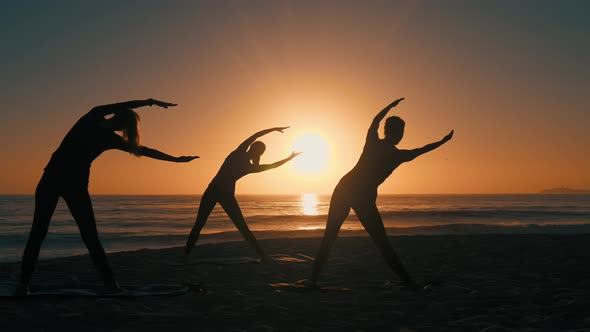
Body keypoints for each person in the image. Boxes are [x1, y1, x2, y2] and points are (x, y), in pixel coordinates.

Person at [16, 98, 198, 295]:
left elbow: (145, 150)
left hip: (55, 181)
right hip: (68, 185)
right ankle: (109, 284)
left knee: (42, 234)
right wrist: (175, 159)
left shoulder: (92, 120)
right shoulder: (100, 126)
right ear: (122, 124)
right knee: (86, 237)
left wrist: (149, 103)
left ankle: (24, 285)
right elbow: (144, 150)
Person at [310, 98, 454, 287]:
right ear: (392, 132)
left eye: (402, 132)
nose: (401, 135)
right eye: (399, 131)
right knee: (337, 237)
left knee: (376, 240)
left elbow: (419, 148)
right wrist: (442, 141)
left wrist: (442, 141)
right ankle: (312, 281)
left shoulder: (391, 151)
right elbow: (378, 124)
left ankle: (407, 281)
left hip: (354, 192)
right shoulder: (385, 149)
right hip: (348, 191)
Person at [184, 127, 300, 260]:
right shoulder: (247, 163)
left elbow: (261, 145)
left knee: (205, 224)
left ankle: (186, 253)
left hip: (216, 191)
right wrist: (288, 156)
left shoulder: (242, 156)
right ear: (257, 152)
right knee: (237, 226)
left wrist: (276, 135)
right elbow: (269, 159)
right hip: (220, 192)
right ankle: (262, 255)